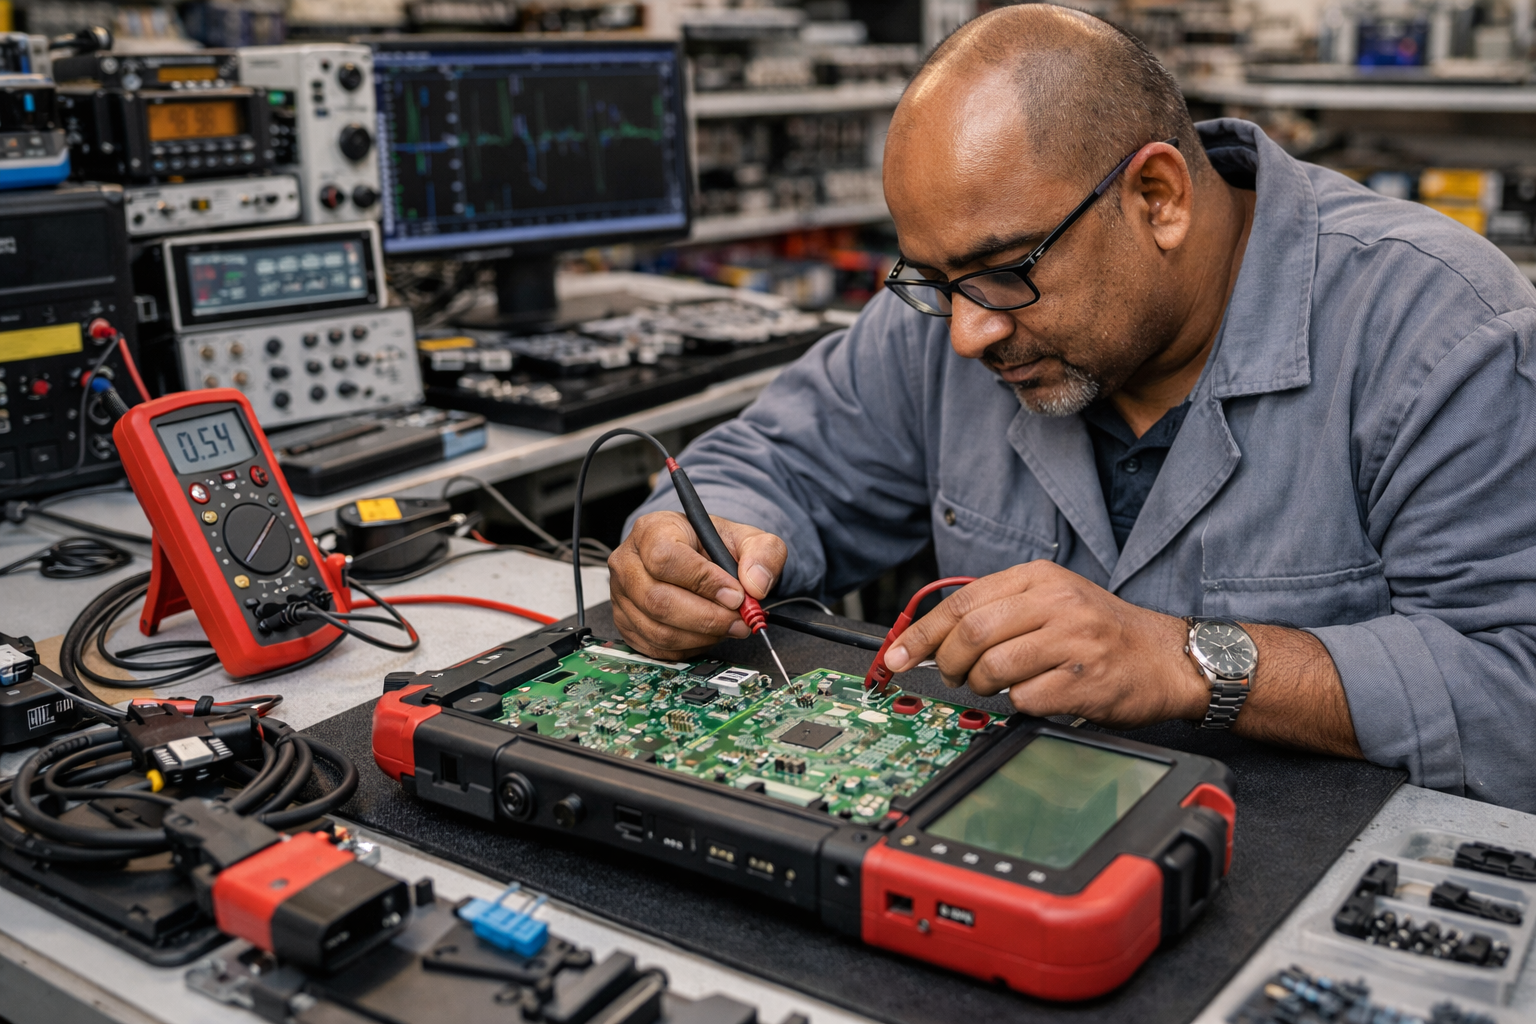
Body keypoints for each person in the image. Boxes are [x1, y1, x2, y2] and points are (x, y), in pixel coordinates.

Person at [610, 5, 1536, 811]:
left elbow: (1517, 697)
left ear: (1158, 196)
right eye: (934, 281)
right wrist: (692, 548)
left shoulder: (1442, 334)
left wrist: (1190, 658)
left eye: (1008, 272)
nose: (967, 333)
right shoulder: (956, 316)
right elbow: (769, 464)